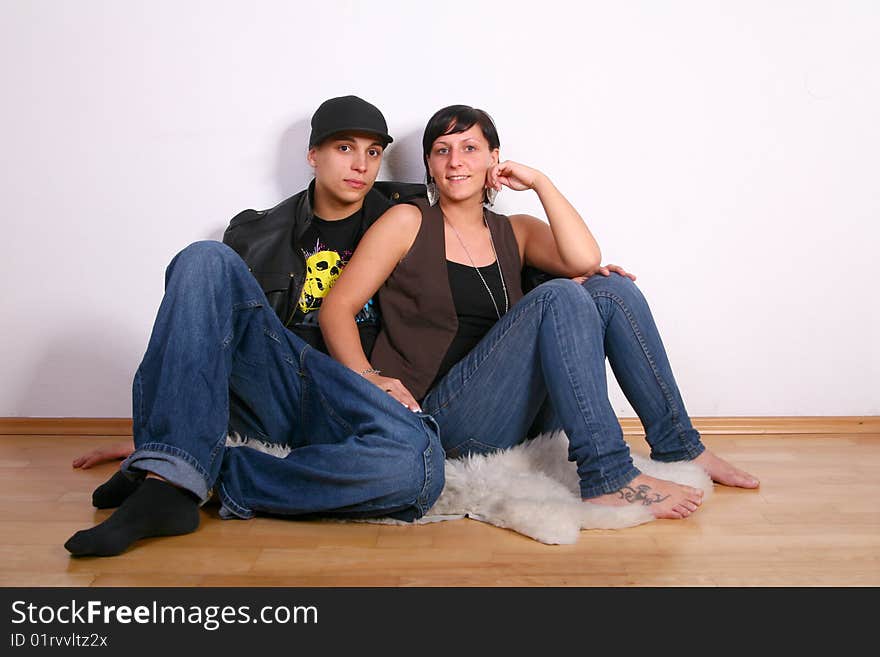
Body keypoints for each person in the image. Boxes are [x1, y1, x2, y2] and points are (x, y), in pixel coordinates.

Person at [319, 104, 759, 521]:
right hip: (447, 417)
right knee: (560, 294)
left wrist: (540, 183)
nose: (456, 161)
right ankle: (606, 474)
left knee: (611, 288)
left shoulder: (516, 231)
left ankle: (679, 445)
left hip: (518, 415)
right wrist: (368, 377)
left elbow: (586, 257)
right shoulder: (407, 221)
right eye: (442, 150)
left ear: (494, 159)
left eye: (470, 148)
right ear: (430, 166)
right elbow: (337, 308)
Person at [64, 96, 445, 557]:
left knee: (414, 468)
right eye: (345, 148)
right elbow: (214, 345)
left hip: (349, 392)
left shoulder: (410, 219)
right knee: (204, 258)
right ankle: (168, 471)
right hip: (277, 381)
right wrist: (165, 424)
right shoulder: (255, 232)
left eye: (372, 152)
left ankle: (184, 474)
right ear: (312, 156)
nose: (361, 165)